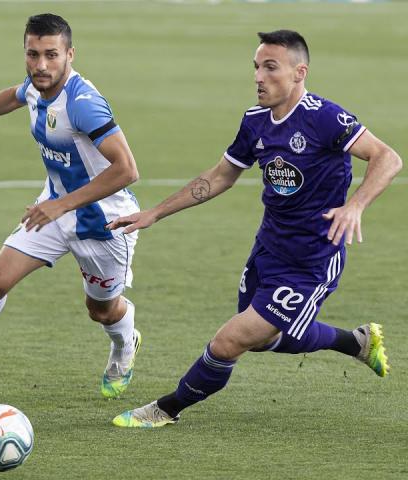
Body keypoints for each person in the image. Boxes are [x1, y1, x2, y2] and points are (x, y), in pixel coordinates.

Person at [108, 30, 402, 427]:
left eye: (270, 67)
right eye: (256, 67)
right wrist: (155, 213)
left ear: (300, 72)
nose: (258, 77)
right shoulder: (255, 122)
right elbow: (220, 176)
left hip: (312, 260)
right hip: (268, 251)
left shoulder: (325, 117)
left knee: (230, 341)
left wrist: (355, 206)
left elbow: (388, 157)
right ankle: (357, 342)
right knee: (263, 339)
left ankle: (165, 409)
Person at [0, 13, 142, 399]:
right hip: (52, 208)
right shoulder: (37, 86)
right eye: (33, 55)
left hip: (104, 223)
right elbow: (14, 95)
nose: (41, 65)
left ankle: (124, 342)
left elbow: (127, 171)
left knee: (101, 310)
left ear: (70, 54)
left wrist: (62, 205)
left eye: (51, 55)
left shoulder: (84, 105)